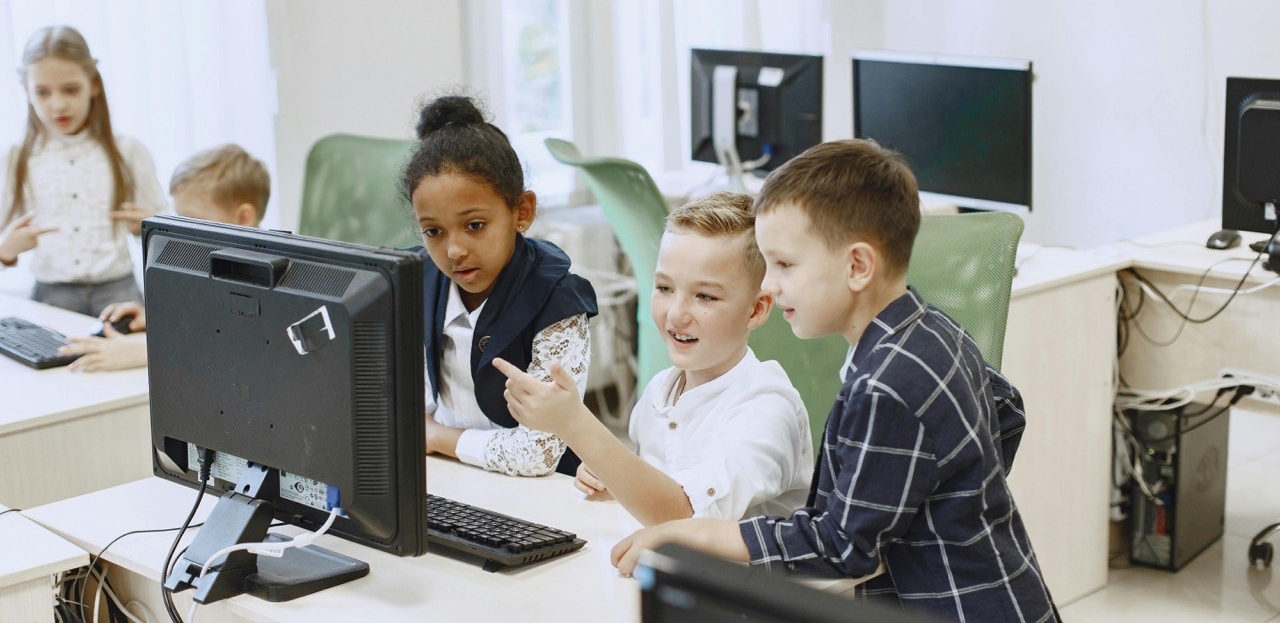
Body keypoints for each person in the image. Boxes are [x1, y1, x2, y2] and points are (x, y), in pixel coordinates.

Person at [610, 140, 1059, 622]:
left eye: (784, 264)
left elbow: (843, 548)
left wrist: (696, 533)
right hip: (1007, 594)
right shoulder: (932, 328)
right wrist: (951, 501)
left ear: (858, 266)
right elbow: (1007, 408)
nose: (769, 285)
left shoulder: (885, 385)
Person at [495, 191, 812, 526]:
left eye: (705, 296)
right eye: (664, 288)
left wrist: (575, 424)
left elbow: (683, 517)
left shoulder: (767, 410)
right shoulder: (661, 389)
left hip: (744, 578)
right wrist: (613, 480)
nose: (676, 314)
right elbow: (659, 493)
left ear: (757, 309)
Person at [404, 95, 597, 477]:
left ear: (521, 212)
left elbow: (538, 451)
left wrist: (438, 438)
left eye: (474, 225)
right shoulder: (410, 279)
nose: (455, 250)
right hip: (447, 475)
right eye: (433, 231)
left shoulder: (558, 299)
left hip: (543, 490)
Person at [57, 144, 271, 371]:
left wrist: (145, 353)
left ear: (243, 217)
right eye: (179, 218)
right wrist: (156, 319)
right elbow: (206, 323)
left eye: (192, 219)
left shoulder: (263, 276)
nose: (182, 230)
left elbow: (240, 348)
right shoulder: (209, 262)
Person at [0, 26, 167, 317]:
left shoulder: (128, 151)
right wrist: (6, 250)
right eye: (42, 92)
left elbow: (170, 237)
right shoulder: (18, 159)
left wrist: (147, 227)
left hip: (120, 295)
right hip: (50, 298)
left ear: (93, 84)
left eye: (71, 89)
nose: (58, 104)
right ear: (25, 89)